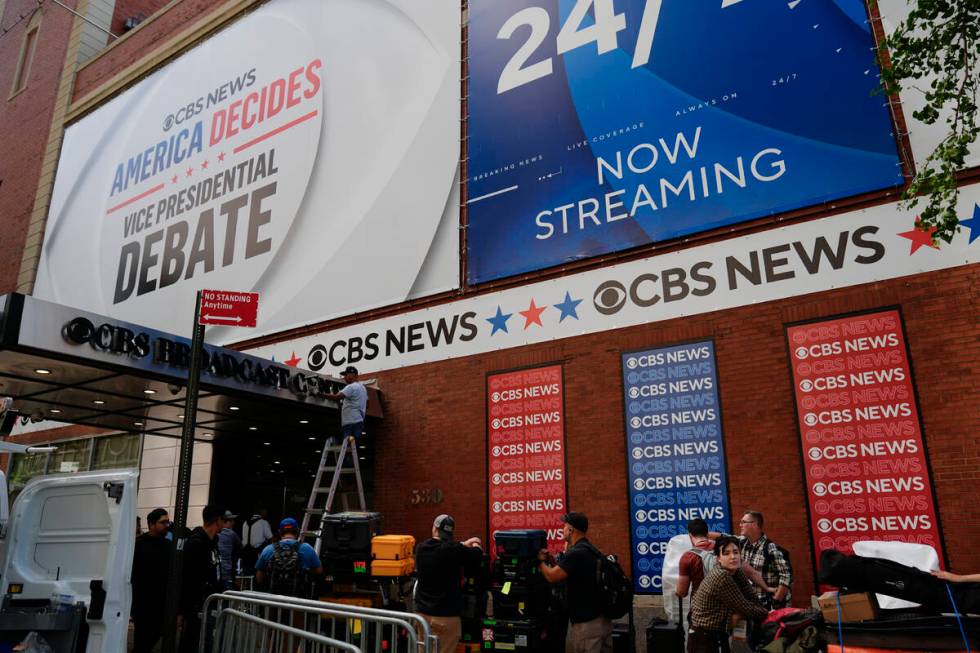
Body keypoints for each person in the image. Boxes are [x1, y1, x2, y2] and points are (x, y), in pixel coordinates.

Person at [537, 512, 612, 653]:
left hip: (587, 625)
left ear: (571, 530)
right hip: (602, 621)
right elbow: (569, 570)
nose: (562, 530)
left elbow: (551, 576)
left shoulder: (576, 553)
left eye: (564, 527)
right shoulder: (590, 549)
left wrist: (539, 561)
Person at [688, 536, 769, 653]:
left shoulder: (737, 570)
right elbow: (744, 606)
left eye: (736, 552)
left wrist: (759, 610)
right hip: (703, 637)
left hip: (719, 633)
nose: (733, 557)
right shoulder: (722, 576)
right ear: (718, 559)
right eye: (726, 553)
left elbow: (751, 596)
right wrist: (767, 613)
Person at [415, 514, 483, 653]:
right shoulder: (453, 551)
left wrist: (463, 544)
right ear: (450, 533)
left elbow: (447, 548)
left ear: (434, 529)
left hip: (422, 616)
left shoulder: (421, 548)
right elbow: (476, 554)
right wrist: (476, 543)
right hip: (446, 618)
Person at [677, 519, 775, 601]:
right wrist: (767, 588)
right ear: (707, 533)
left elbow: (682, 592)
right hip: (729, 603)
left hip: (702, 606)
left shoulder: (687, 557)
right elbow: (751, 573)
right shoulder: (726, 550)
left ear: (690, 535)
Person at [179, 505, 224, 653]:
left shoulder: (213, 542)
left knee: (205, 642)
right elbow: (187, 579)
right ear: (217, 521)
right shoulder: (196, 543)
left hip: (209, 604)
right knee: (194, 643)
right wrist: (183, 610)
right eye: (224, 520)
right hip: (197, 607)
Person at [131, 508, 171, 653]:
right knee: (142, 642)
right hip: (143, 604)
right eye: (163, 522)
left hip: (161, 603)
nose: (167, 525)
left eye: (168, 521)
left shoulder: (168, 546)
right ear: (151, 524)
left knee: (153, 637)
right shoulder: (138, 545)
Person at [735, 511, 792, 607]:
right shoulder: (743, 543)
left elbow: (786, 576)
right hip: (753, 604)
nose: (740, 525)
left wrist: (776, 601)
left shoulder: (771, 548)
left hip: (770, 605)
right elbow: (723, 537)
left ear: (755, 524)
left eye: (743, 522)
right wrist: (704, 534)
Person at [255, 518, 322, 597]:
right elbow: (319, 571)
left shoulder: (268, 549)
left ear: (280, 532)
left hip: (274, 602)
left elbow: (259, 578)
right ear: (297, 531)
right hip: (298, 602)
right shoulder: (307, 548)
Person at [325, 365, 368, 442]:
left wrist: (320, 394)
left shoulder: (351, 387)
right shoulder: (363, 388)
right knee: (352, 447)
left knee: (345, 445)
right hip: (359, 422)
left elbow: (337, 397)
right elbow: (368, 404)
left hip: (350, 423)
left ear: (352, 375)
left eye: (346, 375)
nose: (344, 377)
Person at [242, 508, 274, 574]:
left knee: (248, 572)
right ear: (262, 512)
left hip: (246, 553)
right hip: (257, 554)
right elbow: (271, 538)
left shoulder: (245, 523)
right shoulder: (263, 522)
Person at [217, 510, 243, 591]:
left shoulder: (216, 533)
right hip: (227, 571)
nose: (233, 523)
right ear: (227, 522)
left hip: (217, 571)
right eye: (232, 521)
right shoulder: (231, 534)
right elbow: (240, 547)